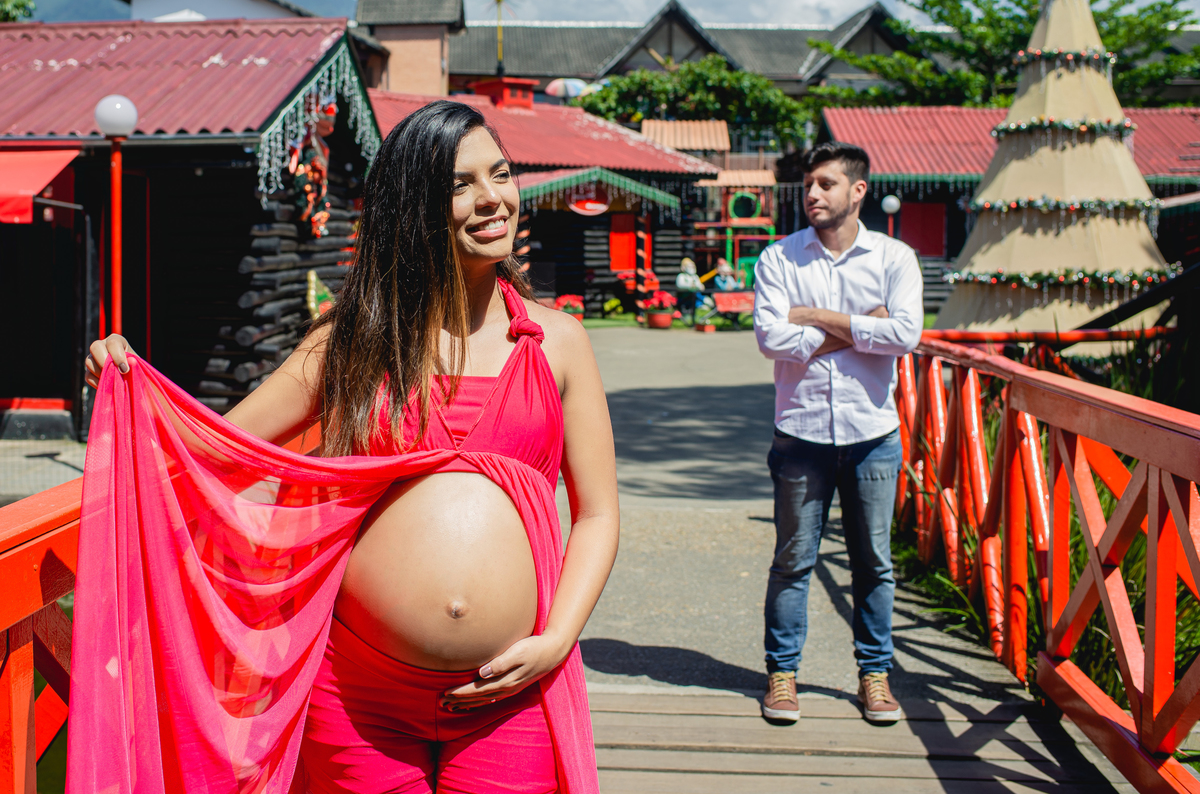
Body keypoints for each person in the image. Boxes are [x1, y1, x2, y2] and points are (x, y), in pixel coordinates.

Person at [85, 100, 620, 793]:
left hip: (510, 693)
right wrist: (129, 383)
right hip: (358, 694)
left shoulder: (558, 344)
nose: (493, 199)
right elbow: (217, 448)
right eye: (459, 185)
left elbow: (597, 514)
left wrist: (558, 639)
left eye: (500, 174)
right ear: (412, 207)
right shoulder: (350, 343)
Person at [751, 141, 922, 725]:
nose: (813, 194)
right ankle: (782, 675)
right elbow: (771, 340)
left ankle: (875, 675)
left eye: (826, 184)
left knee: (874, 564)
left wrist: (814, 318)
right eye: (808, 185)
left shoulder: (895, 258)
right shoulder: (779, 258)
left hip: (872, 435)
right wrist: (860, 327)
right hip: (800, 435)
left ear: (858, 190)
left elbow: (906, 335)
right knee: (792, 561)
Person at [674, 257, 704, 324]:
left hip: (694, 299)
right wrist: (690, 286)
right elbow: (680, 285)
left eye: (693, 266)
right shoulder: (681, 276)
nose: (692, 268)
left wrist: (698, 286)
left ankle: (696, 319)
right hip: (683, 298)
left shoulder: (695, 277)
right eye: (689, 266)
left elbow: (700, 286)